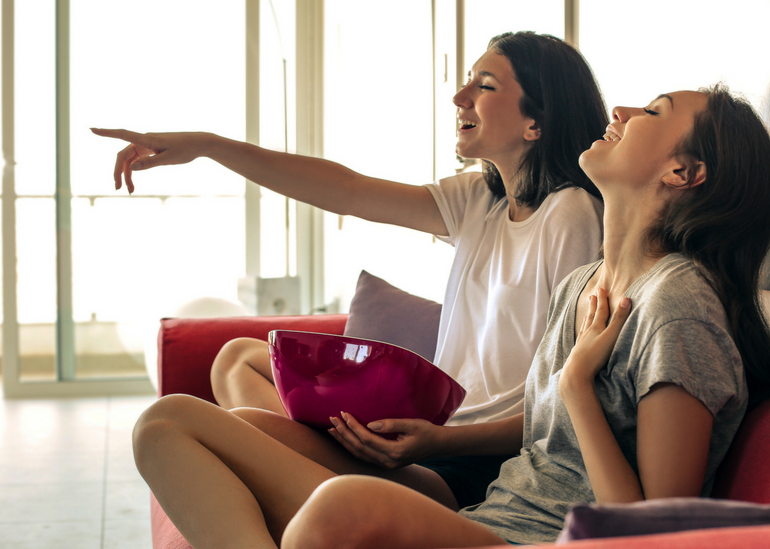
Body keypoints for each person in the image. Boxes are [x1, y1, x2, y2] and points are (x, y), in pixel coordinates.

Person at [131, 85, 770, 549]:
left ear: (684, 172)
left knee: (343, 506)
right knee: (168, 423)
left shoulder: (678, 305)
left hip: (538, 540)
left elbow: (653, 535)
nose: (622, 111)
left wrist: (576, 385)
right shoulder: (585, 282)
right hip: (486, 517)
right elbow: (347, 187)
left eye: (652, 112)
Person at [94, 31, 608, 510]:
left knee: (201, 428)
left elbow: (563, 401)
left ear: (535, 122)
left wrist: (436, 441)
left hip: (476, 465)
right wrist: (209, 147)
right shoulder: (481, 200)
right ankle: (316, 499)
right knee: (238, 360)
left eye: (485, 84)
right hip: (428, 439)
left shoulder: (571, 213)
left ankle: (317, 502)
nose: (460, 96)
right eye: (469, 79)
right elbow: (346, 189)